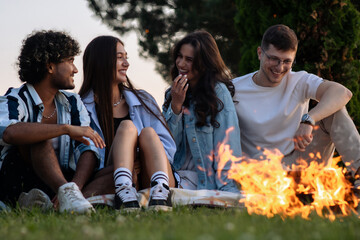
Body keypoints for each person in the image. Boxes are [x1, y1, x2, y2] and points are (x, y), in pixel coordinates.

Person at [232, 24, 360, 179]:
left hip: (300, 162)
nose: (280, 68)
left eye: (287, 61)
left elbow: (343, 93)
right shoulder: (235, 89)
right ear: (260, 53)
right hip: (260, 173)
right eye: (274, 59)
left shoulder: (299, 80)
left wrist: (309, 120)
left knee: (334, 110)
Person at [0, 30, 107, 213]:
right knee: (38, 136)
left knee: (115, 170)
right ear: (50, 67)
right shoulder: (14, 99)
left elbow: (88, 147)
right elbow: (9, 132)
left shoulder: (72, 102)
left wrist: (76, 186)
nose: (75, 69)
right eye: (70, 61)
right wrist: (65, 129)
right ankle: (63, 198)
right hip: (20, 177)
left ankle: (70, 199)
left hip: (65, 179)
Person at [79, 36, 176, 211]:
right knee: (127, 128)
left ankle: (161, 195)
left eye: (126, 57)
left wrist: (138, 156)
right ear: (101, 61)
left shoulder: (143, 99)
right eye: (119, 57)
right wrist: (126, 164)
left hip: (153, 175)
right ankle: (124, 190)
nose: (126, 63)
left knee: (147, 133)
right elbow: (81, 158)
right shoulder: (80, 106)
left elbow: (168, 148)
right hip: (110, 177)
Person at [162, 31, 241, 193]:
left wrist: (227, 192)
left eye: (189, 60)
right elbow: (166, 147)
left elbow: (227, 146)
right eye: (179, 56)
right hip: (172, 175)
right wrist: (176, 106)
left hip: (202, 181)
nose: (181, 64)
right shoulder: (173, 93)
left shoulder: (218, 93)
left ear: (204, 63)